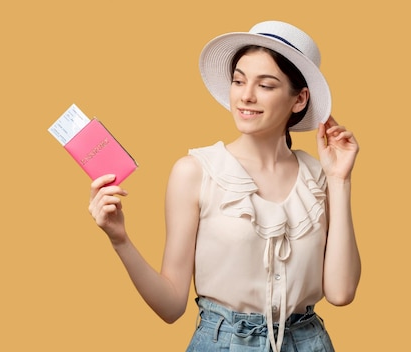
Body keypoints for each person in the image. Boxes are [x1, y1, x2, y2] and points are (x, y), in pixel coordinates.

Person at [88, 20, 360, 352]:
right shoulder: (195, 172)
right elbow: (172, 305)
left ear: (299, 99)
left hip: (310, 343)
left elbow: (341, 292)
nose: (246, 96)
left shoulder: (318, 175)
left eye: (266, 85)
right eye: (239, 80)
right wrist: (120, 239)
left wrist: (340, 180)